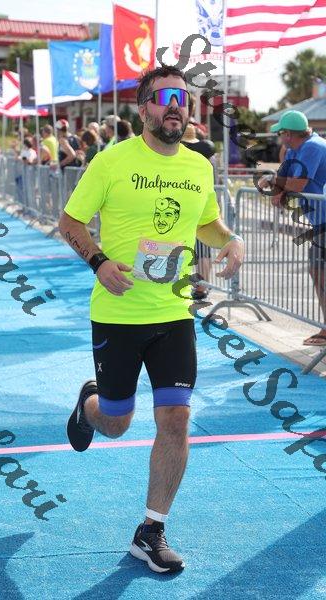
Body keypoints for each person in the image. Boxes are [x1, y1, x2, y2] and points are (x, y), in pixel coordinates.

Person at [59, 64, 244, 574]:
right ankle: (90, 406)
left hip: (173, 314)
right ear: (143, 109)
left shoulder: (198, 167)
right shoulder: (112, 161)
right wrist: (99, 263)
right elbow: (69, 221)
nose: (176, 106)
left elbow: (205, 222)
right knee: (117, 422)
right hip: (118, 314)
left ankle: (151, 529)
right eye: (164, 98)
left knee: (176, 417)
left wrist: (230, 239)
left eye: (183, 98)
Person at [258, 110, 326, 346]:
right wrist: (278, 188)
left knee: (320, 273)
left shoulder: (313, 147)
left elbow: (296, 184)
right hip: (320, 223)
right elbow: (283, 178)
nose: (279, 138)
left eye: (281, 133)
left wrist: (273, 182)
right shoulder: (295, 149)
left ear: (288, 134)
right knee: (318, 272)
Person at [182, 122, 217, 301]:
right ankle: (202, 286)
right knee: (204, 249)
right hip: (206, 205)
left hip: (190, 206)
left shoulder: (183, 158)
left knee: (193, 247)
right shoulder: (207, 159)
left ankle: (199, 285)